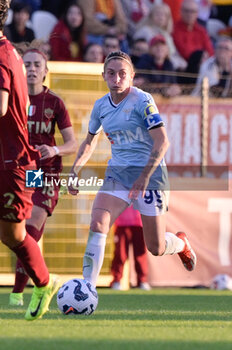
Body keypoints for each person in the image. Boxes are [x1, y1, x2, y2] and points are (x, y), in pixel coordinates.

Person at [68, 50, 197, 290]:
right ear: (103, 75)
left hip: (150, 175)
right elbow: (89, 141)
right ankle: (88, 290)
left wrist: (144, 177)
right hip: (118, 174)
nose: (116, 79)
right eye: (111, 73)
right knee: (98, 223)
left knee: (156, 247)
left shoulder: (142, 100)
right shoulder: (100, 107)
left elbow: (162, 141)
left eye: (122, 74)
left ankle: (180, 244)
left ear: (132, 76)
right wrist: (75, 170)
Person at [0, 0, 59, 321]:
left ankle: (42, 284)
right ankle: (42, 284)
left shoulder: (3, 55)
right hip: (11, 160)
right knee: (13, 236)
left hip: (13, 164)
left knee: (15, 235)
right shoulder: (8, 51)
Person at [9, 42, 77, 306]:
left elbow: (72, 143)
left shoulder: (54, 102)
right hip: (20, 171)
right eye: (27, 65)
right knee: (18, 234)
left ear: (46, 71)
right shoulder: (13, 98)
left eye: (37, 65)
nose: (32, 69)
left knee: (31, 228)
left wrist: (55, 148)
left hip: (46, 172)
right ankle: (38, 284)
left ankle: (17, 293)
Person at [111, 205, 150, 291]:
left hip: (140, 222)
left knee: (140, 254)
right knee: (120, 254)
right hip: (121, 222)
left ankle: (142, 281)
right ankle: (116, 280)